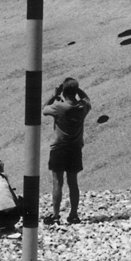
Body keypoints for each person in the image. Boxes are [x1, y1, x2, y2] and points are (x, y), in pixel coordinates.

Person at [42, 77, 92, 225]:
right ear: (75, 92)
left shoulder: (59, 107)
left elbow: (44, 109)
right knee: (73, 182)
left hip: (59, 148)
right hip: (75, 148)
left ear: (64, 92)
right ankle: (74, 214)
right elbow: (86, 98)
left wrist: (54, 94)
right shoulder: (83, 107)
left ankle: (56, 215)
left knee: (57, 182)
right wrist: (77, 89)